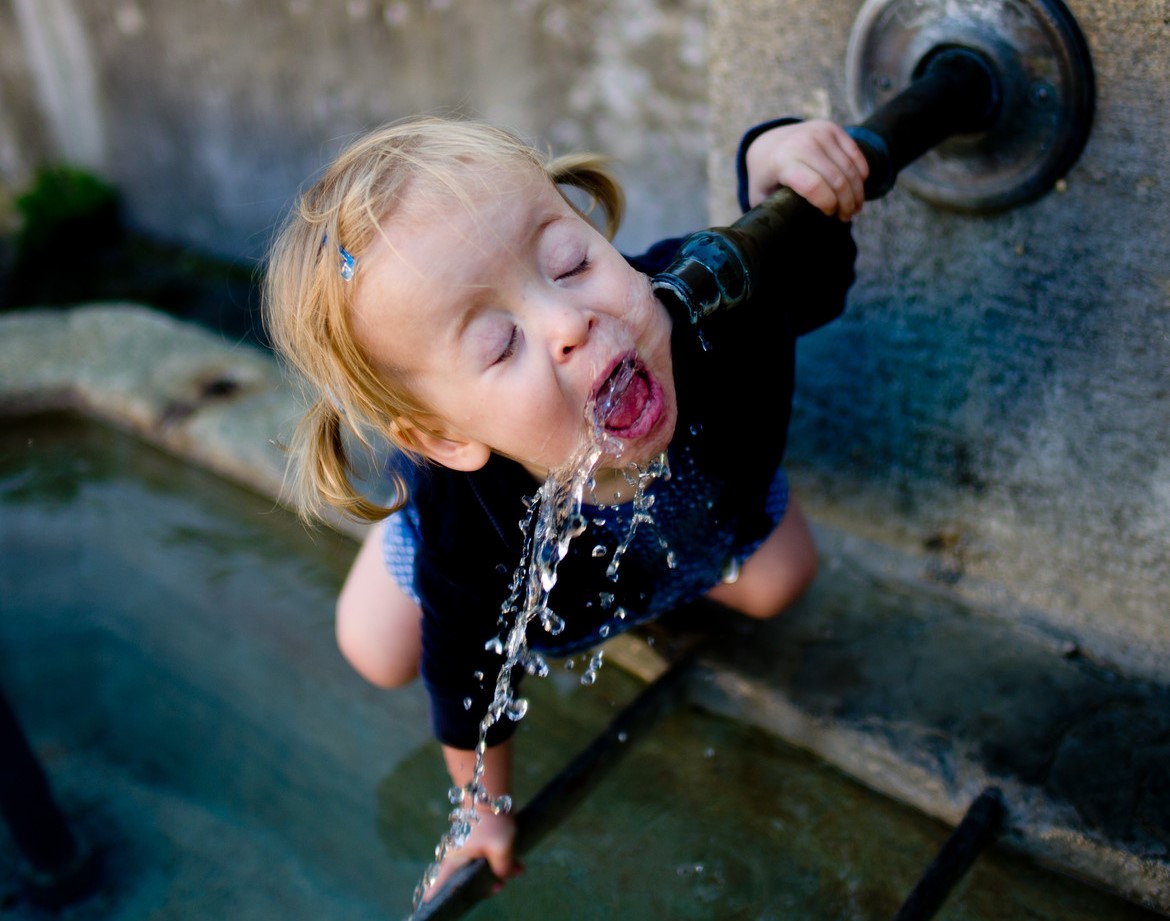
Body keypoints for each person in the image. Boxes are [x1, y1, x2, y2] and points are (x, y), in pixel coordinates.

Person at [263, 113, 867, 899]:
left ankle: (660, 582)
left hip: (701, 523)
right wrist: (481, 806)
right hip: (500, 562)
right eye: (499, 346)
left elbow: (811, 270)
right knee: (375, 648)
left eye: (570, 259)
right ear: (443, 436)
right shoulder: (469, 504)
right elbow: (468, 672)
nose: (569, 322)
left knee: (783, 579)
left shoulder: (711, 301)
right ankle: (400, 546)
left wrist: (771, 169)